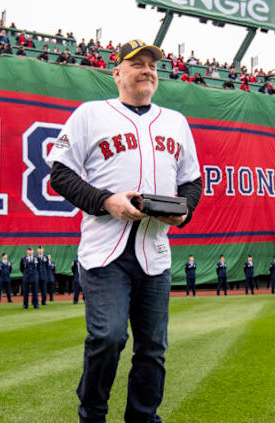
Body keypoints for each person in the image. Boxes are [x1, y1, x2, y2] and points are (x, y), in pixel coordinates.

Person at [45, 39, 202, 422]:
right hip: (105, 250)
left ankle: (143, 418)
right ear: (117, 73)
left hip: (155, 251)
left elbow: (192, 182)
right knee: (108, 337)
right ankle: (93, 415)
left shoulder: (175, 122)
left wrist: (184, 212)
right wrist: (105, 201)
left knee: (152, 347)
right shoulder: (91, 114)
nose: (148, 70)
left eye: (152, 65)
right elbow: (60, 174)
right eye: (137, 64)